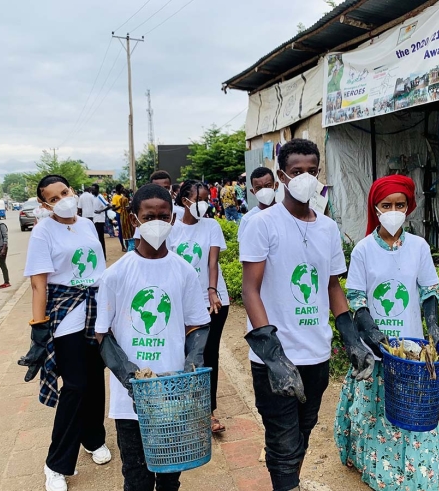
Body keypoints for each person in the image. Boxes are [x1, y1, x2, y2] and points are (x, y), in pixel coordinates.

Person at [241, 139, 373, 491]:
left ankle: (289, 480)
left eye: (312, 171)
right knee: (283, 439)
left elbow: (332, 288)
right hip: (276, 355)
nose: (305, 178)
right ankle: (287, 484)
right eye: (297, 171)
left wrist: (351, 339)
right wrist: (274, 356)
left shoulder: (327, 228)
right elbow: (250, 290)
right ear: (282, 176)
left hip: (316, 352)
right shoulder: (262, 224)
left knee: (304, 428)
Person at [335, 175, 439, 491]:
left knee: (412, 411)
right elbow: (356, 298)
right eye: (387, 205)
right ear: (376, 207)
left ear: (409, 207)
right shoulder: (363, 250)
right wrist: (372, 332)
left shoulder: (419, 247)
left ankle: (413, 472)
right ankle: (377, 468)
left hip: (410, 352)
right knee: (374, 412)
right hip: (377, 349)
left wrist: (433, 326)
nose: (393, 210)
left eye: (400, 204)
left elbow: (429, 291)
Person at [95, 183, 211, 491]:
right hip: (129, 401)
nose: (156, 222)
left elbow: (199, 325)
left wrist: (192, 360)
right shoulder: (115, 275)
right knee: (136, 475)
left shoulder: (184, 271)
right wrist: (130, 376)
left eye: (163, 215)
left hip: (172, 393)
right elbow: (102, 335)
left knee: (172, 473)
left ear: (172, 219)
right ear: (134, 220)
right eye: (148, 217)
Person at [18, 175, 110, 491]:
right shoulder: (43, 232)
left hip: (97, 311)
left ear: (73, 191)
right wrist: (39, 328)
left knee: (96, 379)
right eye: (54, 198)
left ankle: (94, 438)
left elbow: (100, 268)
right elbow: (38, 283)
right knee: (75, 385)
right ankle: (56, 464)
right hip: (66, 312)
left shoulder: (86, 225)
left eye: (65, 193)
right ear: (45, 204)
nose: (62, 200)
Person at [172, 180, 230, 433]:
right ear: (185, 200)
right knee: (181, 354)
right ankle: (183, 408)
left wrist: (212, 290)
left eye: (207, 198)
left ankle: (209, 411)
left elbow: (212, 263)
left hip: (213, 301)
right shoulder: (170, 229)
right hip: (181, 303)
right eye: (199, 199)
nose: (205, 204)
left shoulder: (212, 226)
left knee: (209, 355)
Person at [237, 167, 279, 243]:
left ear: (276, 186)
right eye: (259, 188)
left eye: (268, 185)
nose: (264, 191)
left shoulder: (287, 213)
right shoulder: (247, 220)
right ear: (253, 191)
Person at [91, 184, 109, 260]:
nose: (92, 191)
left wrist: (100, 211)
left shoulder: (100, 197)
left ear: (97, 189)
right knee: (97, 238)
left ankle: (103, 256)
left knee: (101, 238)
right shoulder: (94, 197)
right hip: (95, 219)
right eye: (91, 189)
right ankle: (100, 255)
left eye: (93, 189)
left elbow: (108, 205)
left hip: (100, 220)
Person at [111, 184, 127, 251]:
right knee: (121, 230)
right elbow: (113, 208)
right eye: (122, 188)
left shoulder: (122, 196)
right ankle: (123, 246)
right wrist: (120, 205)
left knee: (126, 230)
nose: (123, 189)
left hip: (125, 214)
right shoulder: (115, 197)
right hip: (119, 214)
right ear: (118, 189)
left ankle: (127, 245)